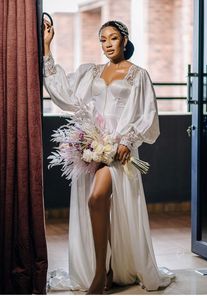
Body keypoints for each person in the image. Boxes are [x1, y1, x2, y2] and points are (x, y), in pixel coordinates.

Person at [43, 20, 174, 294]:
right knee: (96, 203)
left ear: (124, 41)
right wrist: (46, 46)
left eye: (113, 38)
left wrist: (128, 140)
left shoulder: (138, 75)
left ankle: (101, 274)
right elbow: (64, 94)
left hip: (119, 153)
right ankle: (104, 269)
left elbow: (148, 116)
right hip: (92, 150)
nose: (108, 44)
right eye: (103, 40)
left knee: (96, 198)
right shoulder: (90, 73)